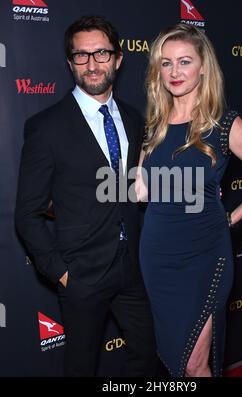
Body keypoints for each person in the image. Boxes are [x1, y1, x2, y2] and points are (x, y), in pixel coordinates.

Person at [135, 23, 242, 377]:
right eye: (166, 63)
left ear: (203, 67)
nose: (174, 72)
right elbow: (139, 190)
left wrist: (230, 218)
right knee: (174, 360)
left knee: (195, 362)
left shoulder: (224, 125)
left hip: (204, 255)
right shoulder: (154, 125)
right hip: (157, 255)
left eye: (184, 61)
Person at [15, 15, 157, 377]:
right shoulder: (46, 127)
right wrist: (60, 273)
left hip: (132, 267)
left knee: (146, 354)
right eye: (82, 56)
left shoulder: (132, 117)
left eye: (102, 54)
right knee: (81, 366)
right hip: (81, 275)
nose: (92, 65)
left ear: (119, 59)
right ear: (70, 62)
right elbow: (27, 214)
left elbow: (136, 187)